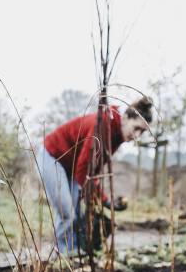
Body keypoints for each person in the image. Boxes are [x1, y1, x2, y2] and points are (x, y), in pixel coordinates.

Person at [38, 96, 153, 254]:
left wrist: (106, 201)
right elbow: (84, 170)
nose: (137, 136)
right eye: (136, 128)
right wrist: (104, 200)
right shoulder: (103, 125)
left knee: (77, 212)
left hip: (71, 166)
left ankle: (75, 251)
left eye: (142, 132)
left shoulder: (117, 135)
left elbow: (94, 170)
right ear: (126, 118)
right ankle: (63, 255)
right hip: (53, 157)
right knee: (67, 211)